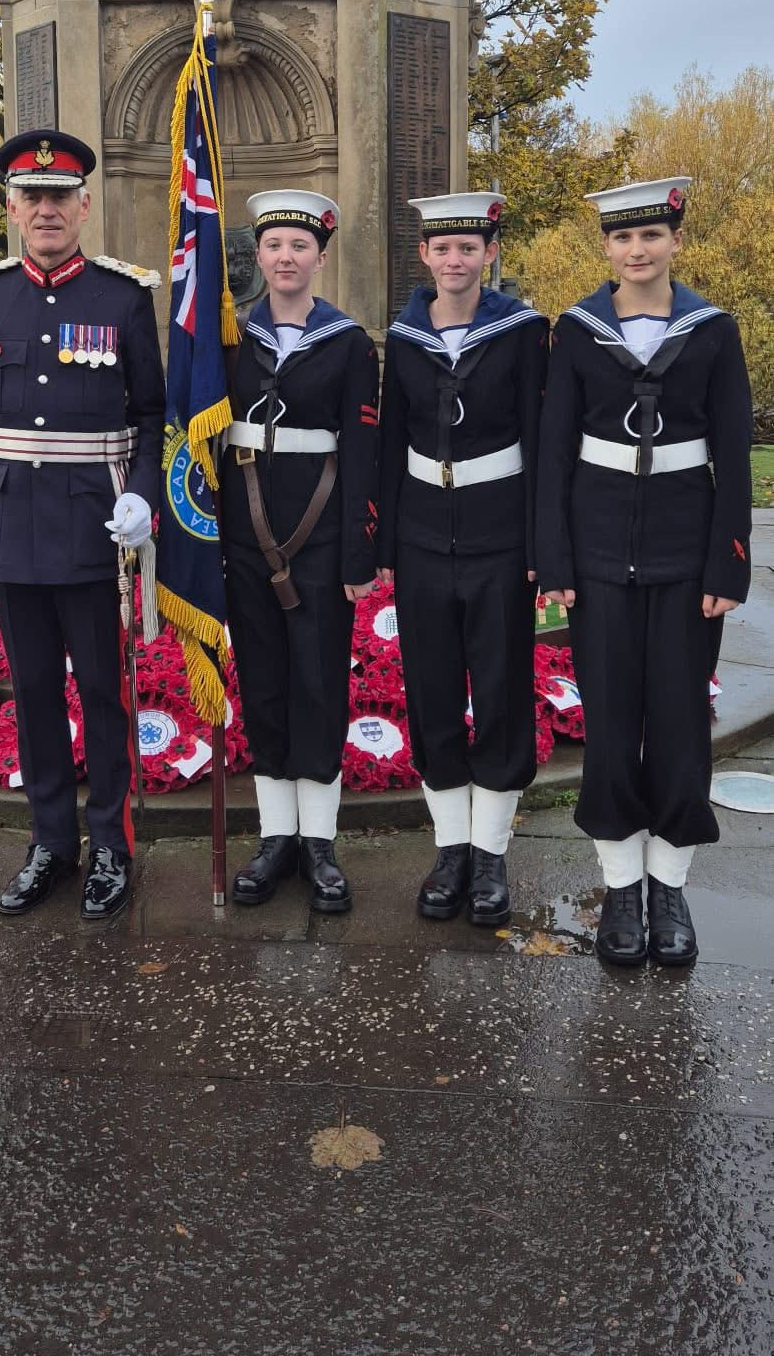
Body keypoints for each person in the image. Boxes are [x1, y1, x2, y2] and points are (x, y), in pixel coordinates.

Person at [536, 177, 753, 968]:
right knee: (611, 725)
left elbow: (734, 452)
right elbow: (554, 451)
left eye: (651, 236)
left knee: (680, 726)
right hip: (597, 556)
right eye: (623, 238)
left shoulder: (712, 331)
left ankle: (670, 886)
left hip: (685, 557)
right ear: (607, 247)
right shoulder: (577, 331)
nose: (637, 250)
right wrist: (555, 560)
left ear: (675, 242)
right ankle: (621, 888)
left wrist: (729, 562)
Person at [0, 129, 165, 920]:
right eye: (32, 197)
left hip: (92, 527)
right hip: (10, 527)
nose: (46, 209)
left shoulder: (122, 296)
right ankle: (50, 843)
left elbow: (152, 414)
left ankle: (110, 844)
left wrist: (142, 497)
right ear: (12, 209)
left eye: (60, 197)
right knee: (36, 692)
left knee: (103, 694)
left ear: (84, 207)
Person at [378, 194, 548, 923]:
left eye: (469, 248)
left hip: (499, 531)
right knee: (433, 688)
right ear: (425, 255)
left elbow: (541, 438)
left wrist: (542, 545)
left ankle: (490, 854)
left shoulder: (523, 331)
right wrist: (385, 544)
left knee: (502, 687)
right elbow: (391, 440)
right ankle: (450, 850)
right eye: (443, 249)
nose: (455, 260)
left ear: (489, 253)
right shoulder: (404, 336)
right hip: (422, 534)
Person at [220, 191, 379, 913]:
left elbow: (363, 452)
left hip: (318, 539)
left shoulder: (348, 344)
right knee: (263, 684)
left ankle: (318, 841)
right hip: (243, 537)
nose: (286, 258)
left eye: (300, 246)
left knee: (317, 685)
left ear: (320, 256)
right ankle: (275, 836)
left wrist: (357, 554)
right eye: (274, 245)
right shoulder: (228, 338)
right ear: (259, 254)